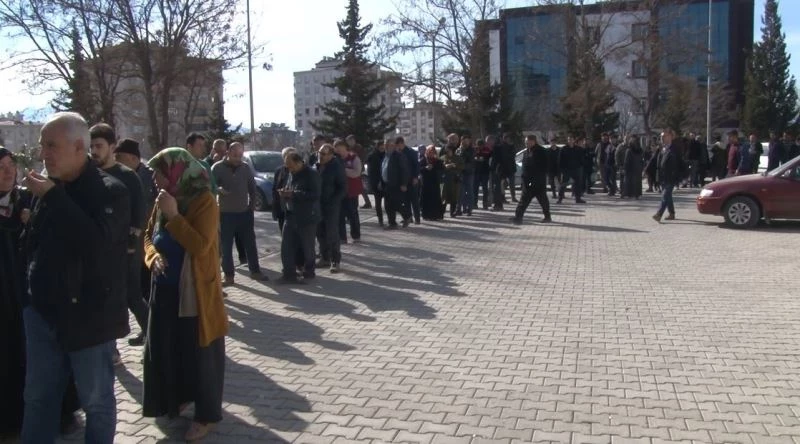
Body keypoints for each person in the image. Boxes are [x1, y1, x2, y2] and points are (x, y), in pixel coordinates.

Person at [21, 111, 130, 444]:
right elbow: (33, 243)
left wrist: (54, 198)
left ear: (79, 147)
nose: (44, 154)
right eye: (42, 146)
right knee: (38, 398)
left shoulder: (111, 191)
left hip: (89, 319)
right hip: (42, 314)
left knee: (96, 402)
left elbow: (96, 245)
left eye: (51, 145)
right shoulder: (49, 187)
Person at [142, 147, 228, 442]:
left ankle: (206, 415)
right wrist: (153, 257)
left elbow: (200, 245)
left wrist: (174, 215)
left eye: (160, 172)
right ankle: (177, 397)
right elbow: (148, 238)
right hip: (164, 290)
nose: (154, 178)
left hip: (195, 294)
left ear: (177, 172)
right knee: (169, 347)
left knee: (200, 355)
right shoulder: (163, 199)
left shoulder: (203, 201)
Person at [89, 123, 148, 354]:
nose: (94, 150)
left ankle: (154, 339)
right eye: (91, 145)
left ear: (112, 147)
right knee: (104, 299)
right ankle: (111, 351)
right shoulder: (89, 175)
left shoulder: (127, 177)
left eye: (99, 146)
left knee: (132, 296)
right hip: (99, 250)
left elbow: (139, 214)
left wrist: (132, 245)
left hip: (126, 250)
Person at [0, 147, 31, 437]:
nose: (9, 171)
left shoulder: (26, 199)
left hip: (26, 295)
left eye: (11, 165)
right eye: (1, 167)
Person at [114, 137, 158, 334]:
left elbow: (152, 209)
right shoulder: (121, 175)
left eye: (120, 157)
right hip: (131, 242)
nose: (117, 161)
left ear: (133, 158)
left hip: (147, 241)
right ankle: (148, 331)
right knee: (136, 291)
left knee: (142, 291)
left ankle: (152, 332)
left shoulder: (149, 177)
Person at [212, 142, 267, 286]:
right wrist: (218, 189)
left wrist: (251, 206)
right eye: (235, 155)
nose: (238, 158)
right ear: (228, 153)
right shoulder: (217, 168)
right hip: (225, 214)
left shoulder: (245, 168)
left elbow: (252, 188)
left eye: (240, 155)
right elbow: (210, 187)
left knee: (250, 243)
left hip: (244, 213)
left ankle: (255, 271)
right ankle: (229, 275)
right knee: (226, 246)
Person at [277, 152, 321, 283]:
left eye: (291, 166)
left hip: (307, 216)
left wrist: (294, 194)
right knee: (286, 246)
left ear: (299, 162)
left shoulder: (311, 174)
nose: (289, 169)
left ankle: (309, 271)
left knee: (307, 247)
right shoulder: (291, 173)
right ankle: (288, 273)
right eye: (287, 166)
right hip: (290, 214)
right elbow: (291, 187)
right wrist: (285, 192)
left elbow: (315, 194)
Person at [315, 143, 346, 273]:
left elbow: (343, 188)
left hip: (331, 206)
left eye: (323, 154)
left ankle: (335, 260)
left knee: (332, 234)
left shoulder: (336, 167)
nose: (320, 156)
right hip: (317, 205)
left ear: (330, 155)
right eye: (319, 153)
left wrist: (334, 201)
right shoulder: (315, 165)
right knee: (320, 232)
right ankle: (324, 257)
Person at [511, 135, 551, 224]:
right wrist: (524, 177)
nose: (526, 144)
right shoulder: (526, 152)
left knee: (542, 200)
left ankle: (547, 216)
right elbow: (525, 166)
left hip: (538, 182)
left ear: (534, 141)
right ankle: (518, 217)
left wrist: (537, 178)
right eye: (525, 142)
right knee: (523, 200)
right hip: (527, 181)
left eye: (528, 142)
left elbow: (544, 167)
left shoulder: (541, 151)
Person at [653, 129, 683, 222]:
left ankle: (659, 214)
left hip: (671, 176)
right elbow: (657, 162)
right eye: (661, 136)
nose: (662, 138)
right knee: (668, 195)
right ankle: (672, 213)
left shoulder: (674, 149)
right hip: (663, 176)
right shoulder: (662, 148)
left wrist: (679, 176)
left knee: (665, 195)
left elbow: (679, 163)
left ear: (670, 137)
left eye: (664, 136)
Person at [334, 139, 362, 243]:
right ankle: (342, 237)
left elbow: (356, 173)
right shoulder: (335, 160)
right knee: (340, 215)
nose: (339, 152)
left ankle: (356, 235)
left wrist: (342, 170)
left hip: (352, 191)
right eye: (337, 150)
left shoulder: (354, 158)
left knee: (353, 214)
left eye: (340, 150)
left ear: (345, 148)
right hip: (339, 192)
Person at [381, 138, 410, 229]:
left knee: (396, 203)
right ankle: (392, 223)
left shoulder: (398, 155)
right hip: (387, 183)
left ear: (394, 146)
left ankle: (407, 216)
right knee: (388, 205)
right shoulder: (385, 156)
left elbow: (404, 171)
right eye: (386, 145)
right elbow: (383, 169)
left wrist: (404, 184)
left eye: (390, 145)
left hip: (396, 184)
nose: (387, 146)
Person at [398, 136, 421, 224]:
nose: (398, 146)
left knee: (414, 200)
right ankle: (409, 217)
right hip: (404, 180)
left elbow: (417, 165)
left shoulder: (411, 152)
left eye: (399, 144)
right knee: (405, 200)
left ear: (402, 143)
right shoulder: (398, 153)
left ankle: (417, 218)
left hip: (412, 179)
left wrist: (415, 177)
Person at [557, 135, 586, 205]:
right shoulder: (563, 149)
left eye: (571, 139)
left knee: (577, 184)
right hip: (566, 169)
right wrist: (562, 169)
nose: (570, 141)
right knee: (563, 184)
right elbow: (560, 160)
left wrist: (581, 165)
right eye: (569, 139)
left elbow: (582, 158)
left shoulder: (578, 149)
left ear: (574, 140)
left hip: (576, 169)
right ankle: (560, 198)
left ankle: (578, 199)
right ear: (567, 140)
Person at [345, 135, 371, 209]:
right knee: (360, 187)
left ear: (353, 140)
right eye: (347, 141)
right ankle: (367, 202)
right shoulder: (350, 148)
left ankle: (367, 202)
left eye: (349, 141)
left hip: (358, 170)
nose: (348, 142)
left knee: (360, 187)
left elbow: (362, 158)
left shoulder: (358, 148)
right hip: (353, 169)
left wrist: (360, 168)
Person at [419, 145, 444, 221]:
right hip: (426, 182)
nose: (431, 153)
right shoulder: (423, 160)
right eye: (430, 152)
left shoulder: (438, 161)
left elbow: (441, 169)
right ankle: (426, 215)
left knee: (435, 198)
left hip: (435, 182)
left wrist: (435, 168)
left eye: (433, 152)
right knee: (426, 199)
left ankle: (436, 215)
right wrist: (425, 168)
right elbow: (419, 169)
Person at [440, 144, 464, 218]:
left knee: (454, 197)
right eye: (446, 150)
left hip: (454, 180)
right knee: (444, 197)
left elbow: (462, 167)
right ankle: (441, 212)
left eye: (449, 150)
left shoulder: (458, 158)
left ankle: (452, 212)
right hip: (445, 180)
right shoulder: (442, 158)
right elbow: (439, 167)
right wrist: (445, 166)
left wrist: (455, 166)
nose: (447, 151)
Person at [366, 140, 386, 226]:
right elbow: (372, 171)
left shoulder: (386, 155)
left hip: (385, 182)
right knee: (378, 202)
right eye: (381, 146)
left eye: (383, 146)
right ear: (377, 147)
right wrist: (377, 182)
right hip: (376, 182)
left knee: (389, 202)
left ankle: (390, 219)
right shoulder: (373, 156)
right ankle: (380, 219)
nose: (382, 148)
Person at [457, 135, 475, 216]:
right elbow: (457, 157)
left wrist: (464, 150)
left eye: (467, 140)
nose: (465, 142)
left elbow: (471, 159)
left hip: (469, 173)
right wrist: (461, 149)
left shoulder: (471, 150)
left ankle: (469, 209)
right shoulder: (459, 149)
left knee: (470, 191)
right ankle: (459, 209)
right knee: (461, 192)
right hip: (461, 172)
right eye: (464, 140)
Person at [488, 135, 506, 211]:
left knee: (497, 188)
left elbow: (498, 160)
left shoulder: (497, 148)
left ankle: (498, 205)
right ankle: (497, 204)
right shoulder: (497, 148)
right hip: (496, 170)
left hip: (497, 170)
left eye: (489, 141)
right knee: (496, 188)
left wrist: (496, 168)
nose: (488, 143)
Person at [474, 139, 492, 209]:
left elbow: (490, 157)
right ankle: (474, 203)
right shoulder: (474, 150)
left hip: (485, 171)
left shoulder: (487, 150)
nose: (480, 147)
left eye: (481, 145)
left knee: (485, 189)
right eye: (478, 145)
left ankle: (485, 204)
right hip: (476, 172)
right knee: (475, 188)